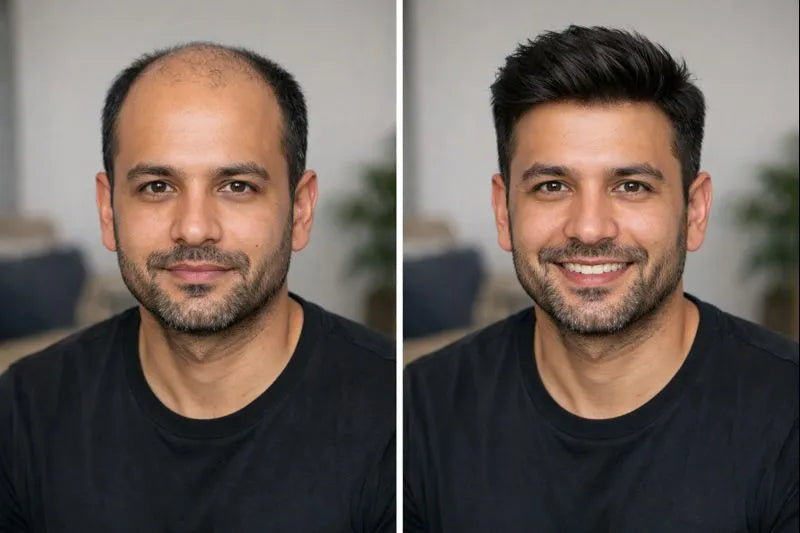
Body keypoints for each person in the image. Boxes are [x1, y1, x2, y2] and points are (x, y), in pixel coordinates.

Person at [404, 25, 798, 532]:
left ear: (694, 211)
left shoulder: (786, 411)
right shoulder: (417, 412)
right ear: (504, 212)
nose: (589, 228)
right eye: (552, 186)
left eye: (631, 186)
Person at [0, 42, 394, 532]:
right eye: (157, 187)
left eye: (236, 186)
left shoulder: (398, 419)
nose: (193, 228)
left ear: (300, 210)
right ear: (108, 210)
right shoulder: (25, 410)